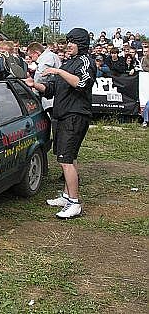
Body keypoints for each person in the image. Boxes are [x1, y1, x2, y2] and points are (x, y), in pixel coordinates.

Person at [25, 28, 96, 219]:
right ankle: (66, 196)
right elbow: (52, 89)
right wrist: (35, 85)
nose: (68, 45)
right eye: (68, 42)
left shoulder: (85, 62)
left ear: (81, 44)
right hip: (62, 116)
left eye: (72, 42)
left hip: (75, 116)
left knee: (66, 160)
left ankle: (74, 203)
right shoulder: (69, 62)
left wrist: (58, 70)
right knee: (67, 157)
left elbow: (81, 83)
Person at [26, 42, 61, 113]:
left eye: (31, 56)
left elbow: (41, 77)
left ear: (36, 53)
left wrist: (34, 88)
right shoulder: (51, 56)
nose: (31, 59)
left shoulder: (47, 58)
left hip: (51, 99)